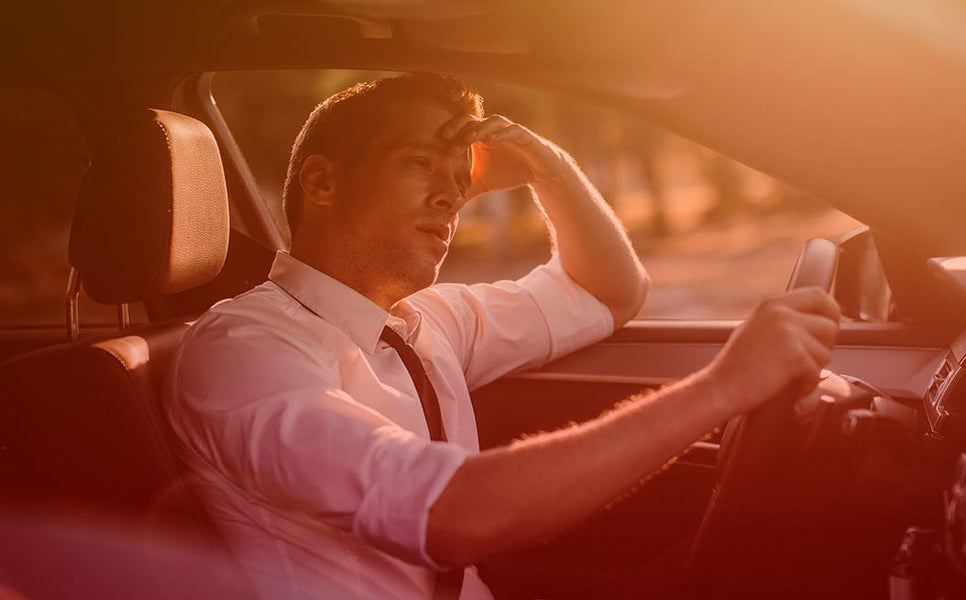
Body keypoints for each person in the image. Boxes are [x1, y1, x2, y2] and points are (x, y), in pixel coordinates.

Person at [164, 73, 840, 600]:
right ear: (322, 181)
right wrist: (723, 387)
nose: (450, 196)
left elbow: (611, 291)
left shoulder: (430, 321)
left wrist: (549, 169)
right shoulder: (244, 350)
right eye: (420, 163)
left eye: (460, 182)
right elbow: (455, 514)